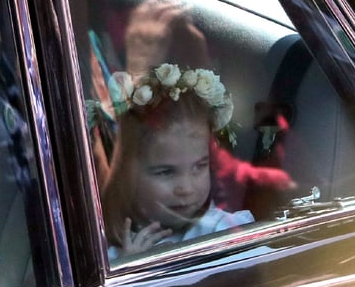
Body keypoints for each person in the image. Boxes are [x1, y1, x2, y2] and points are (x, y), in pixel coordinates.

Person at [100, 63, 254, 258]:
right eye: (166, 172)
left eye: (199, 166)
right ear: (126, 175)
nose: (186, 188)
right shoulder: (111, 254)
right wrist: (129, 265)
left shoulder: (222, 232)